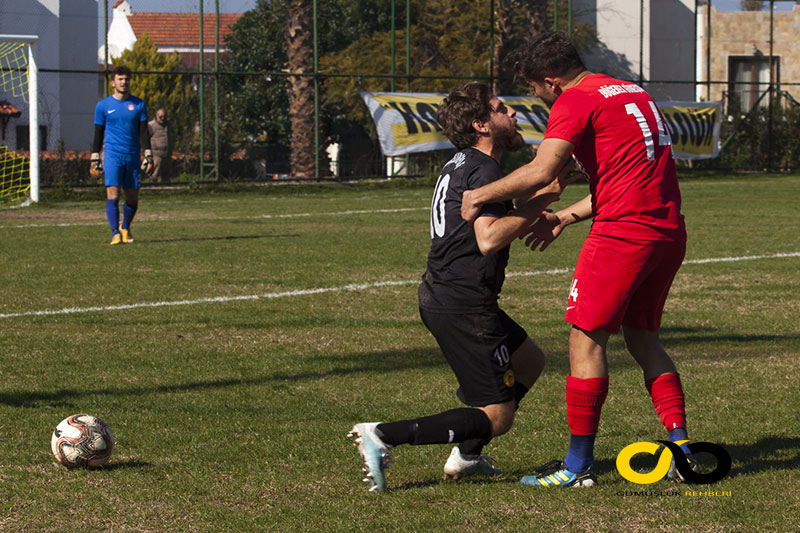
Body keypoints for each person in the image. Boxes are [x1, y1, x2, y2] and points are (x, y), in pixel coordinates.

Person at [461, 32, 692, 488]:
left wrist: (479, 195)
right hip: (667, 230)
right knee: (644, 340)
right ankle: (683, 447)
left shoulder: (574, 100)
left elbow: (543, 170)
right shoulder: (630, 91)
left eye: (535, 89)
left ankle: (577, 466)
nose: (536, 98)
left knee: (585, 343)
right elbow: (629, 178)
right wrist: (565, 216)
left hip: (623, 235)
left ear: (551, 81)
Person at [348, 81, 576, 493]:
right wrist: (543, 198)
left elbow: (483, 229)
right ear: (481, 124)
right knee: (498, 416)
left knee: (529, 362)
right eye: (501, 109)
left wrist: (543, 206)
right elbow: (489, 238)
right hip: (462, 301)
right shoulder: (485, 169)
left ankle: (467, 456)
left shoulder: (464, 163)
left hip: (452, 293)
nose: (513, 115)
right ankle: (382, 435)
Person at [91, 65, 153, 245]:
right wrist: (95, 156)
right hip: (112, 155)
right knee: (113, 194)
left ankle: (125, 226)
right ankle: (114, 233)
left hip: (133, 155)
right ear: (113, 83)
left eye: (126, 79)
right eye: (120, 79)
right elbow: (98, 133)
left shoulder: (139, 104)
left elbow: (143, 132)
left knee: (132, 197)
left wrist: (148, 154)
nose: (124, 82)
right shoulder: (103, 106)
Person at [147, 108, 173, 183]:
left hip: (167, 153)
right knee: (155, 172)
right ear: (156, 116)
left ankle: (166, 188)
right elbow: (146, 138)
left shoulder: (168, 125)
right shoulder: (151, 125)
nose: (163, 118)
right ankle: (152, 186)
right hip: (156, 153)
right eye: (160, 117)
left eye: (164, 116)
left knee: (166, 173)